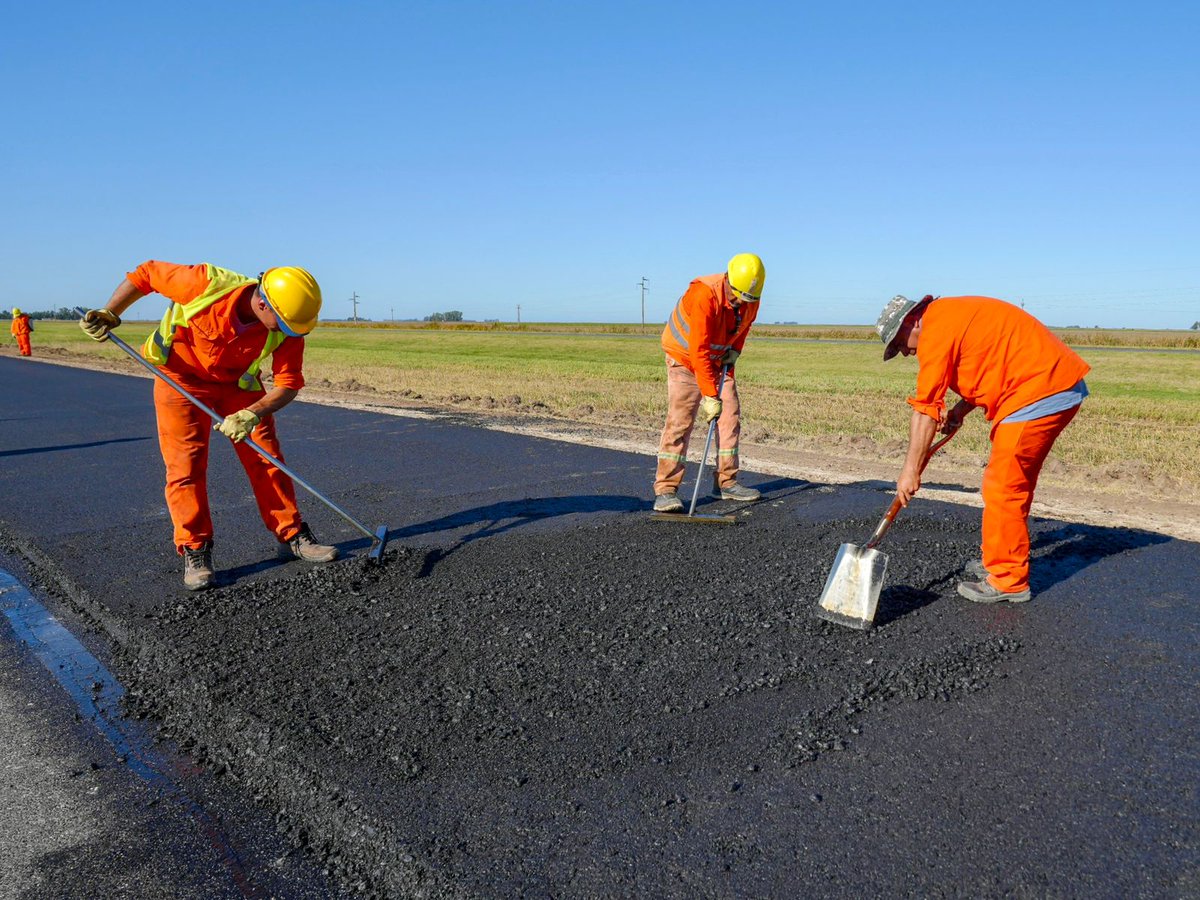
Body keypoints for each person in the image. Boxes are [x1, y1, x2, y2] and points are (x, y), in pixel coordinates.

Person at [80, 262, 340, 591]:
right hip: (180, 380)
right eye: (288, 324)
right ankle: (195, 549)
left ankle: (291, 536)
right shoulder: (205, 284)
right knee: (185, 466)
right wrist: (111, 311)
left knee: (266, 456)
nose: (293, 332)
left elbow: (288, 383)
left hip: (238, 387)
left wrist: (253, 414)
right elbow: (145, 274)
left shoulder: (288, 326)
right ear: (263, 303)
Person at [877, 293, 1091, 603]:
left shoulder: (936, 330)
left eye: (899, 344)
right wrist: (960, 411)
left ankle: (1008, 579)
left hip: (1039, 391)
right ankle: (999, 559)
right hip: (1044, 386)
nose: (904, 353)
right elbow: (989, 362)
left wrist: (909, 471)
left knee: (1004, 487)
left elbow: (924, 409)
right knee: (1011, 483)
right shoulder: (947, 316)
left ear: (911, 321)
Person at [653, 253, 765, 512]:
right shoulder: (705, 295)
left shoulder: (750, 298)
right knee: (680, 421)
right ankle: (666, 490)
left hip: (717, 362)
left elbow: (743, 327)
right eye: (738, 297)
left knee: (730, 419)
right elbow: (698, 350)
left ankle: (726, 483)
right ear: (729, 281)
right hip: (684, 358)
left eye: (748, 299)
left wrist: (735, 350)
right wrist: (709, 396)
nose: (741, 303)